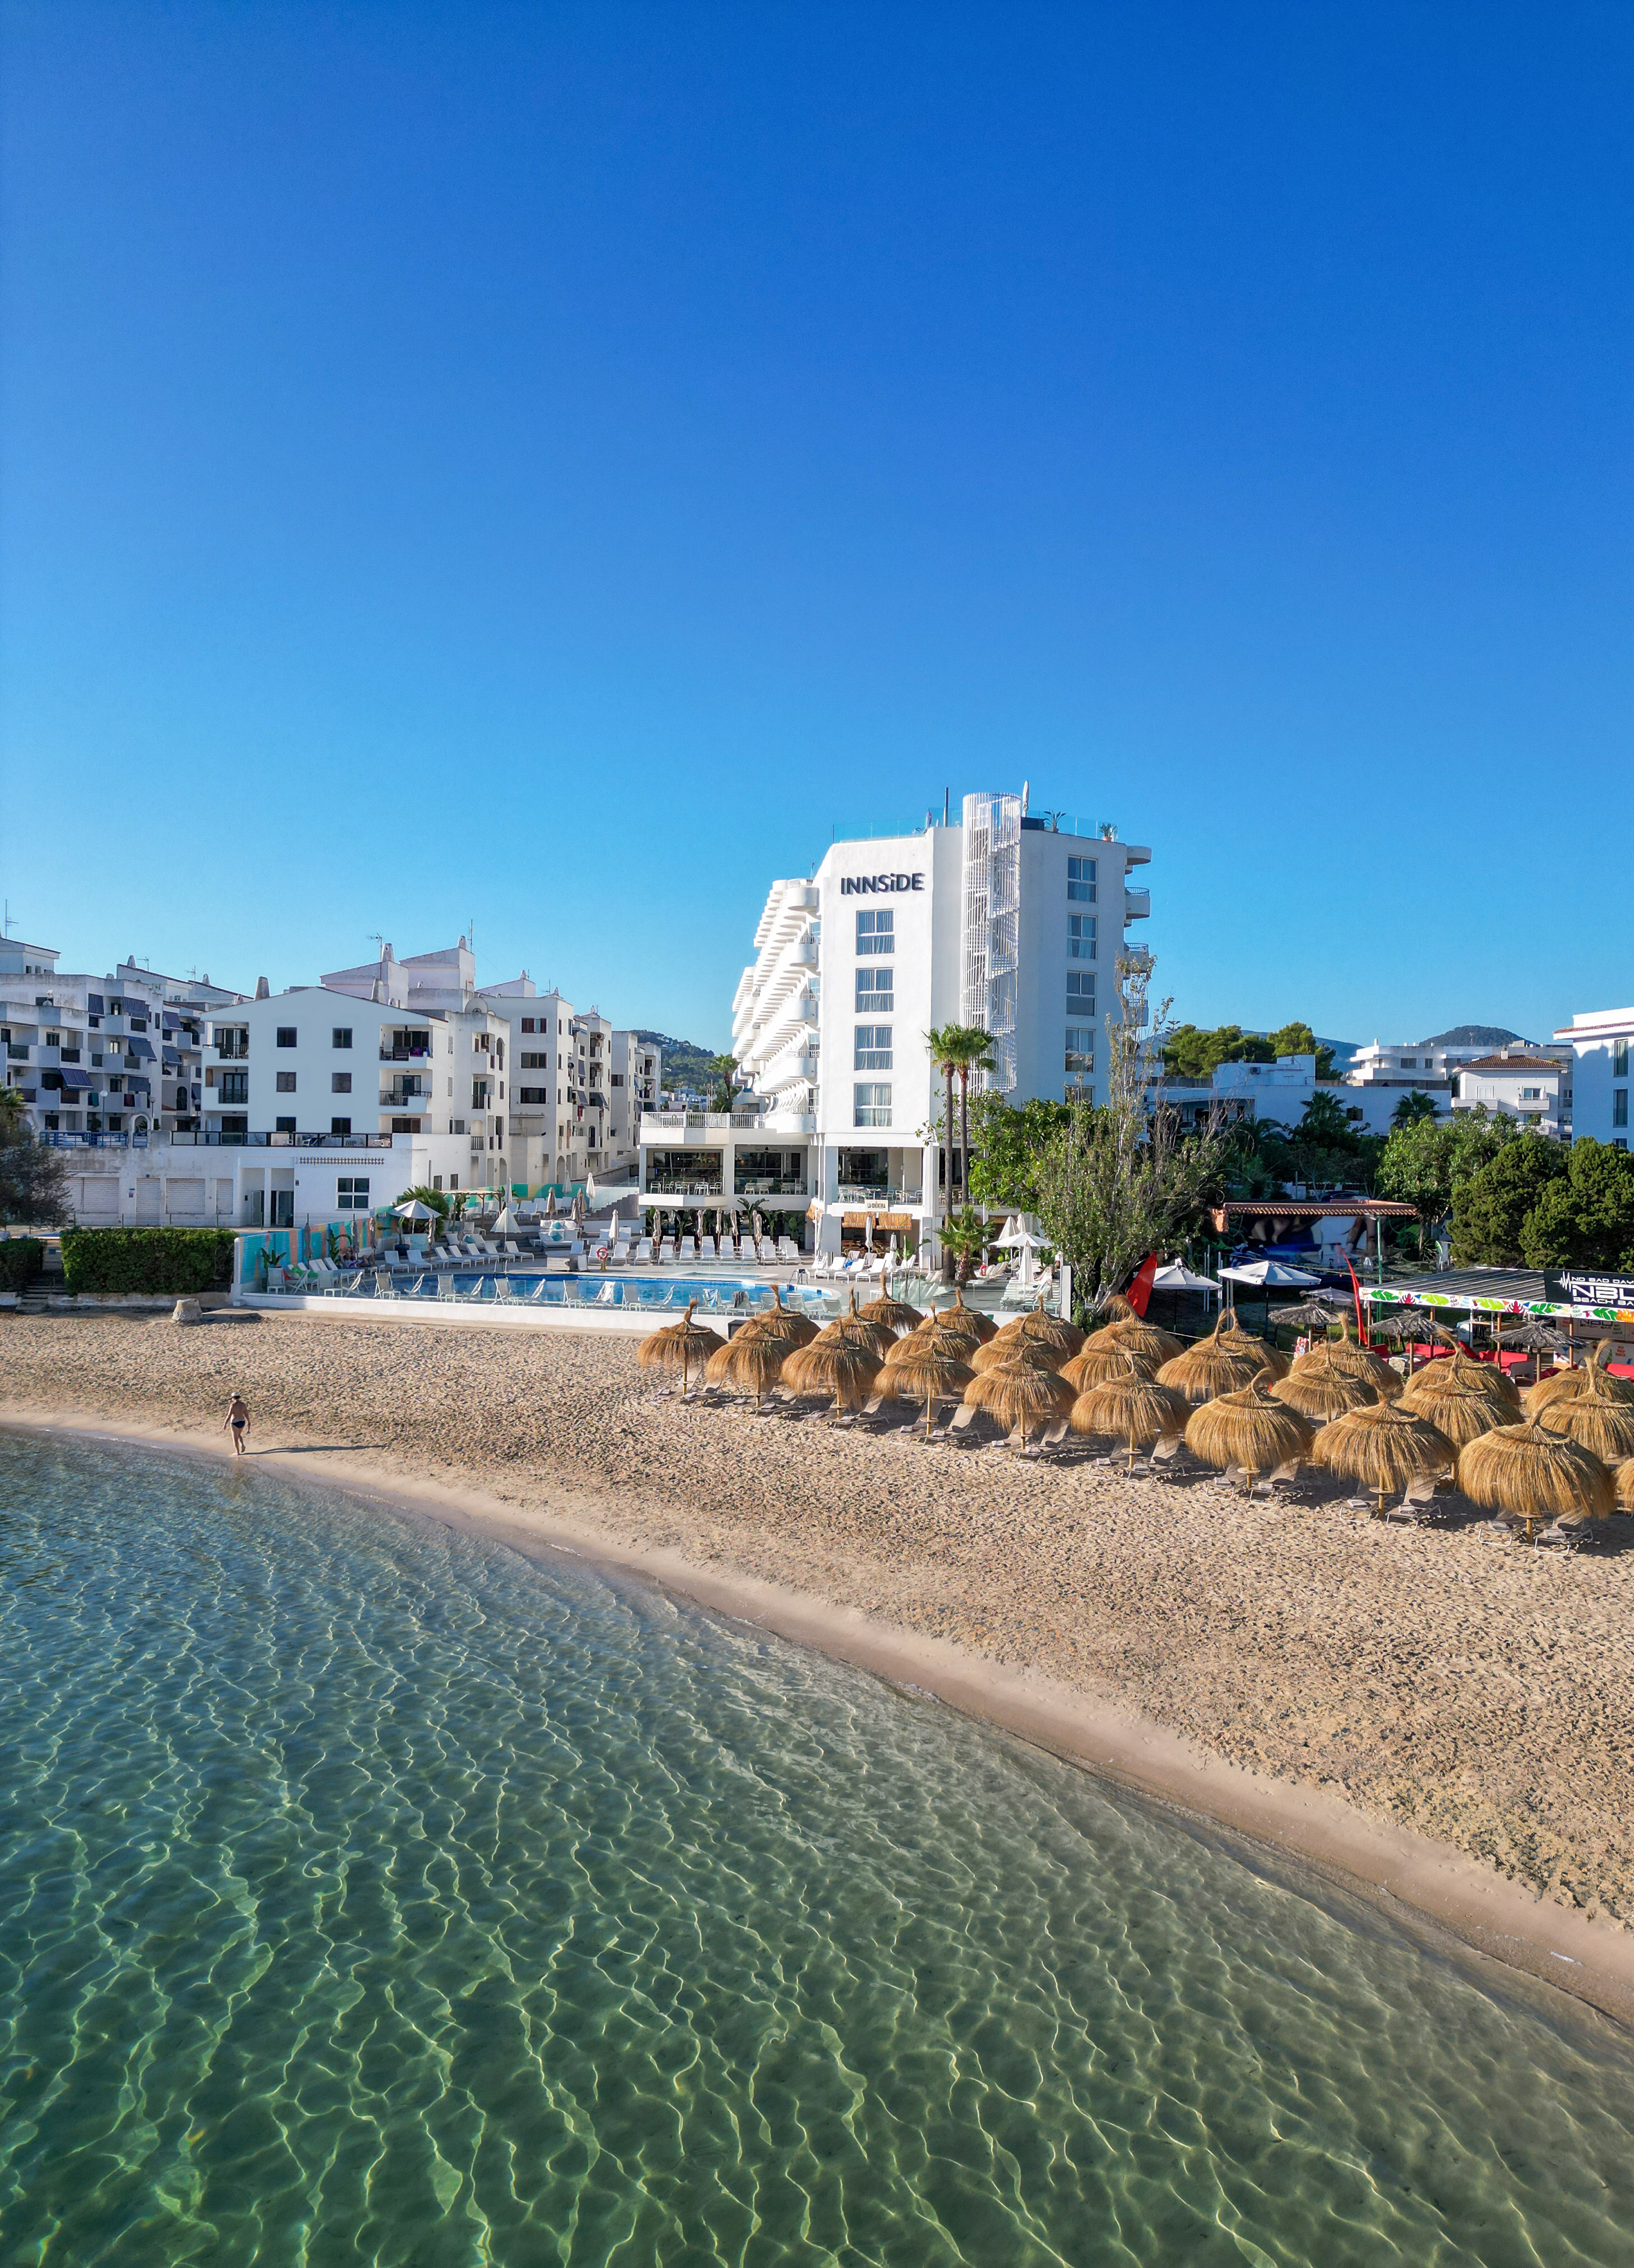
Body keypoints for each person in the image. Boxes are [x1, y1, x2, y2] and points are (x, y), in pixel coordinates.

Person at [223, 1392, 250, 1457]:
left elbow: (229, 1415)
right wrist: (249, 1421)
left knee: (235, 1438)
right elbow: (246, 1413)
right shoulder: (243, 1404)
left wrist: (225, 1424)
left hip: (235, 1422)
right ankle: (242, 1445)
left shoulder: (233, 1405)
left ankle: (237, 1452)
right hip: (242, 1421)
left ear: (233, 1398)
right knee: (239, 1435)